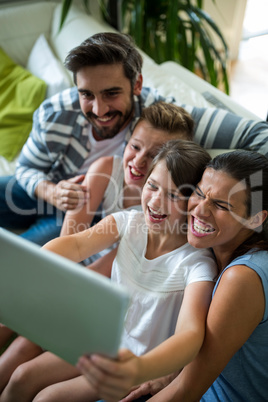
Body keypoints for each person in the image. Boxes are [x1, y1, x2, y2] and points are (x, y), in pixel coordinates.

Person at [1, 33, 268, 247]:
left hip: (93, 210)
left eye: (111, 93)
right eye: (86, 94)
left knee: (21, 262)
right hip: (45, 188)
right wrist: (51, 191)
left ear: (137, 85)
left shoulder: (161, 118)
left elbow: (258, 133)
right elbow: (25, 168)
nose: (99, 109)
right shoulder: (55, 113)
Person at [0, 140, 217, 402]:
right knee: (23, 376)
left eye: (173, 195)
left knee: (48, 398)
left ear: (193, 203)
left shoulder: (197, 263)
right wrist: (29, 266)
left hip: (137, 363)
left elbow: (190, 333)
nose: (156, 201)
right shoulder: (129, 221)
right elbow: (78, 243)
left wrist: (145, 369)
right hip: (104, 344)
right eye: (152, 186)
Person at [80, 149, 268, 402]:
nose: (200, 210)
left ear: (255, 219)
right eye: (199, 193)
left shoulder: (242, 277)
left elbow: (187, 390)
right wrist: (170, 373)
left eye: (221, 205)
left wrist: (145, 369)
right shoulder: (217, 248)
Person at [60, 101, 194, 270]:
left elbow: (102, 271)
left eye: (154, 156)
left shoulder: (159, 209)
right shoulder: (105, 169)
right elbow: (67, 241)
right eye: (135, 146)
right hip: (84, 256)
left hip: (113, 275)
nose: (138, 161)